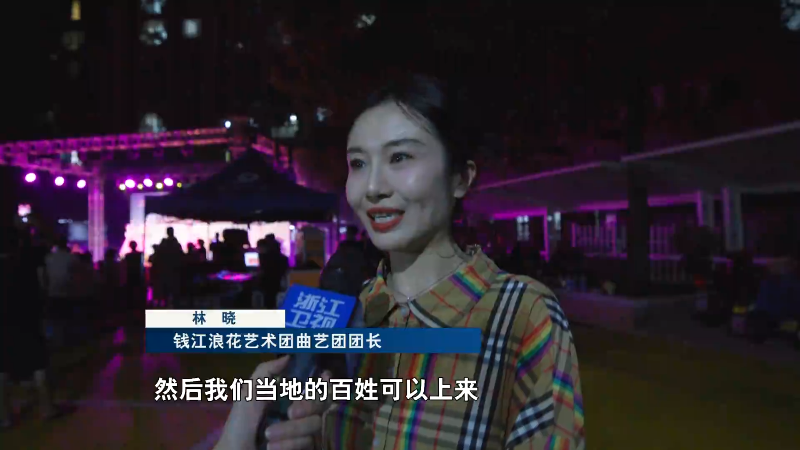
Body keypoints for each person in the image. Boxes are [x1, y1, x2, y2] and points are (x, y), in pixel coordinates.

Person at [214, 75, 585, 449]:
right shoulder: (345, 308)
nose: (373, 187)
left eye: (400, 157)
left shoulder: (523, 313)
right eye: (358, 163)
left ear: (460, 178)